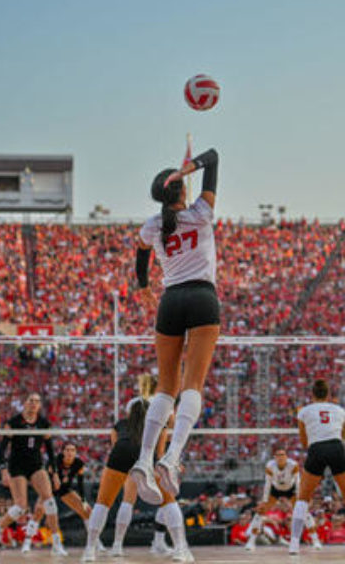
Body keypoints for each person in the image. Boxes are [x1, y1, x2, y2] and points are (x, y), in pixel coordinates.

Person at [130, 148, 221, 505]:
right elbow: (213, 157)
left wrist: (142, 285)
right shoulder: (201, 213)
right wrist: (191, 167)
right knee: (192, 385)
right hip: (201, 297)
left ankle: (144, 459)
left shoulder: (152, 226)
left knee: (165, 387)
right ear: (181, 189)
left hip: (169, 301)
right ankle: (171, 457)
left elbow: (140, 254)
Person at [84, 399, 192, 562]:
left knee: (103, 503)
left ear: (129, 412)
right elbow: (161, 453)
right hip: (146, 456)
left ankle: (90, 550)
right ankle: (181, 549)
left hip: (121, 454)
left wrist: (126, 470)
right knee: (169, 501)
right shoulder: (159, 425)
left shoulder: (119, 424)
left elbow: (115, 445)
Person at [0, 393, 67, 556]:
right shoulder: (13, 422)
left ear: (39, 406)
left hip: (36, 464)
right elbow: (2, 449)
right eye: (31, 401)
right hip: (17, 465)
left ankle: (56, 542)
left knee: (49, 500)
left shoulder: (43, 423)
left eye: (37, 401)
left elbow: (50, 450)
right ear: (25, 403)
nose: (34, 404)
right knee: (20, 507)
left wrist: (55, 473)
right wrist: (3, 470)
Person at [292, 379, 345, 555]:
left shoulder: (304, 412)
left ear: (312, 394)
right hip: (336, 447)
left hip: (316, 448)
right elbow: (342, 435)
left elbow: (304, 441)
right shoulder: (340, 410)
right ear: (328, 394)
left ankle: (293, 544)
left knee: (303, 497)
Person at [111, 374, 174, 557]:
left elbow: (127, 426)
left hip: (133, 449)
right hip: (155, 451)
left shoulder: (132, 403)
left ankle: (117, 545)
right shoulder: (164, 403)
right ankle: (160, 542)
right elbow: (171, 424)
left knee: (128, 500)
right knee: (167, 498)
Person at [245, 446, 321, 551]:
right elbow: (267, 484)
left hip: (291, 489)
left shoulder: (293, 465)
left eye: (283, 455)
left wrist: (301, 498)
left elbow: (298, 481)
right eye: (278, 455)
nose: (281, 457)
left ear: (286, 456)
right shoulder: (270, 466)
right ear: (274, 457)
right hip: (276, 489)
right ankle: (251, 541)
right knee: (260, 512)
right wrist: (264, 500)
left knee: (304, 512)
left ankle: (315, 541)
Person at [19, 443, 91, 553]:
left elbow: (80, 484)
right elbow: (47, 476)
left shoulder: (79, 463)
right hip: (49, 488)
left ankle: (94, 542)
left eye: (72, 450)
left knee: (87, 510)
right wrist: (54, 478)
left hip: (64, 490)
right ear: (63, 452)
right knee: (38, 511)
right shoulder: (55, 460)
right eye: (67, 450)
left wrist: (84, 500)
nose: (70, 452)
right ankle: (27, 542)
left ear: (76, 453)